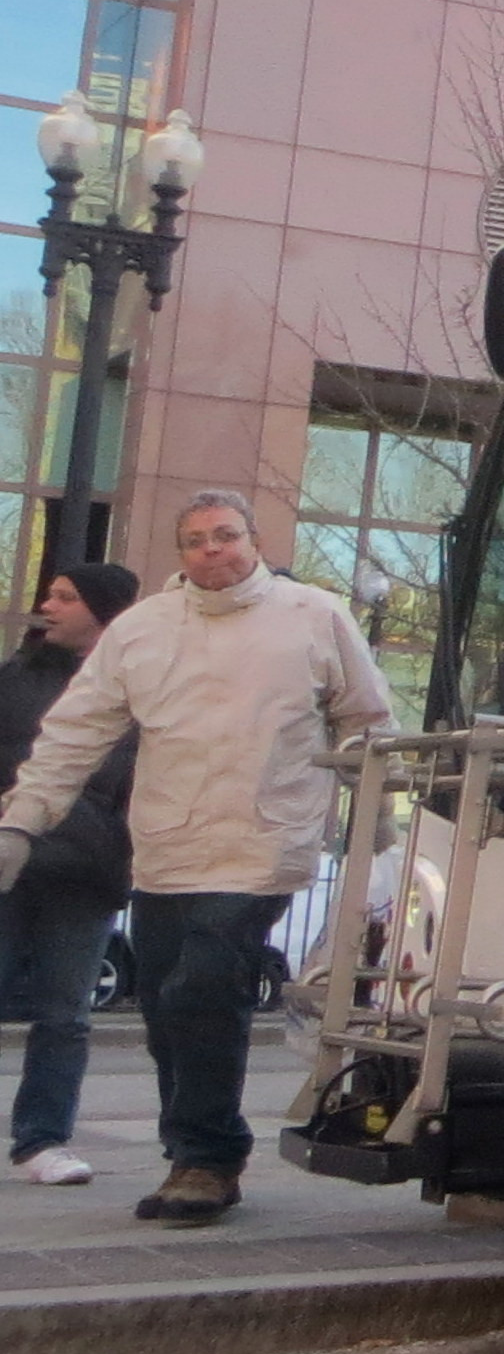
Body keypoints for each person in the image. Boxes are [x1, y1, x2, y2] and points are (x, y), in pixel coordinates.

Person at [0, 494, 388, 1225]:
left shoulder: (315, 616)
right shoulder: (141, 632)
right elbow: (71, 737)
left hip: (265, 842)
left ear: (254, 540)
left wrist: (382, 828)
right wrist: (22, 825)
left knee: (206, 985)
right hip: (166, 850)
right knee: (167, 1008)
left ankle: (208, 1159)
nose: (212, 551)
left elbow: (368, 723)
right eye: (194, 540)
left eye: (225, 536)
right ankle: (192, 1149)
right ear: (178, 554)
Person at [0, 564, 140, 1183]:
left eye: (65, 597)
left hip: (86, 874)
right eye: (49, 594)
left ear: (102, 612)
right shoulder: (17, 678)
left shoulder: (138, 688)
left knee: (65, 1015)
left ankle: (42, 1140)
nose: (47, 606)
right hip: (10, 860)